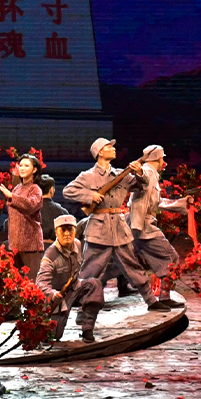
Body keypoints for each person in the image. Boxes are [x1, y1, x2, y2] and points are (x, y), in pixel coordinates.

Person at [63, 138, 153, 343]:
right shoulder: (87, 176)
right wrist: (90, 195)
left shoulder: (121, 174)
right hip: (98, 228)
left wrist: (139, 172)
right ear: (99, 152)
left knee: (133, 266)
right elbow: (68, 191)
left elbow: (141, 186)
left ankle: (151, 300)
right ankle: (82, 313)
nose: (113, 149)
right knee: (89, 273)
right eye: (108, 147)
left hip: (119, 227)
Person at [128, 145, 189, 311]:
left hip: (141, 226)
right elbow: (141, 180)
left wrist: (182, 203)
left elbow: (158, 202)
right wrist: (139, 172)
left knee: (121, 261)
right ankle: (164, 297)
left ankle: (161, 297)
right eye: (162, 158)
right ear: (157, 158)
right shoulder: (147, 172)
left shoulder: (152, 174)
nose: (164, 162)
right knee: (171, 258)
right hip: (144, 227)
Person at [35, 215, 82, 343]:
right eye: (63, 230)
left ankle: (87, 326)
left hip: (74, 288)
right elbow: (41, 282)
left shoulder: (78, 245)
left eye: (70, 229)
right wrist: (53, 294)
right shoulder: (50, 255)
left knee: (93, 286)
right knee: (53, 335)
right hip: (58, 297)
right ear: (56, 232)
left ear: (75, 231)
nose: (67, 234)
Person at [0, 154, 45, 274]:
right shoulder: (17, 188)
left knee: (32, 281)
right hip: (15, 244)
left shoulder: (35, 189)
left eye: (26, 166)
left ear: (34, 170)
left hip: (31, 244)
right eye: (21, 165)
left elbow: (30, 205)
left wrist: (11, 196)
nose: (22, 168)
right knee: (15, 281)